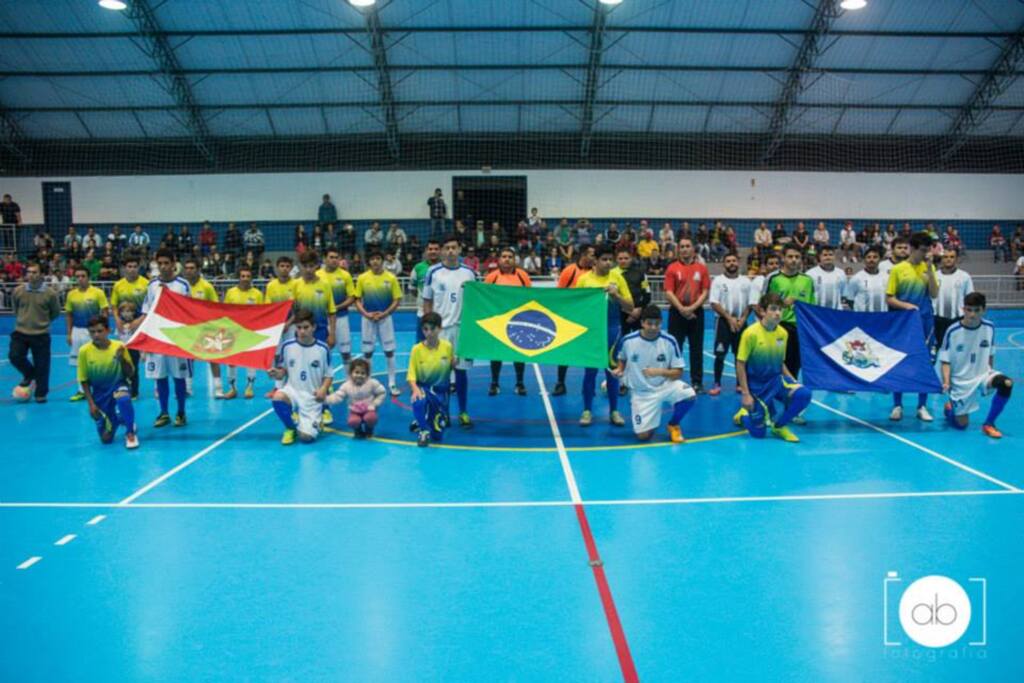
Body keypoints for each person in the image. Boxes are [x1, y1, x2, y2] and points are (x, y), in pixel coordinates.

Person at [734, 293, 812, 443]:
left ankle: (779, 426)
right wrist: (746, 394)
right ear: (762, 311)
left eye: (780, 309)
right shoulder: (750, 333)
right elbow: (740, 363)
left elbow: (780, 362)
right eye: (773, 309)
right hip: (756, 387)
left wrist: (793, 381)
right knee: (759, 433)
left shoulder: (783, 333)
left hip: (776, 381)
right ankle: (744, 414)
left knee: (803, 394)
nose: (778, 313)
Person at [613, 305, 696, 443]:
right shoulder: (628, 340)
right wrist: (620, 369)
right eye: (649, 323)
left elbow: (679, 372)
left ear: (661, 323)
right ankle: (652, 415)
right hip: (641, 393)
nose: (653, 327)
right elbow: (622, 358)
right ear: (642, 323)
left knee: (690, 395)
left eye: (656, 324)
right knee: (643, 436)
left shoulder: (670, 341)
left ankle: (673, 424)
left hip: (665, 386)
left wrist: (659, 372)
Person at [130, 248, 191, 427]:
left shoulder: (183, 285)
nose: (163, 267)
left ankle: (181, 412)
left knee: (179, 378)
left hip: (177, 339)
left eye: (166, 263)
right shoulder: (151, 285)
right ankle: (163, 412)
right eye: (160, 264)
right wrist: (137, 324)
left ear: (173, 264)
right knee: (160, 377)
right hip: (157, 339)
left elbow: (189, 312)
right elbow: (147, 312)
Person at [422, 235, 477, 426]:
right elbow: (427, 301)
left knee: (461, 372)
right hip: (441, 331)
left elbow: (476, 302)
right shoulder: (433, 272)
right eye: (447, 248)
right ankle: (442, 413)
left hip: (462, 331)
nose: (451, 251)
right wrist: (429, 328)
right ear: (443, 251)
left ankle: (463, 411)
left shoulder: (470, 273)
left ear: (460, 250)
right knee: (441, 374)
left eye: (454, 247)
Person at [939, 292, 1011, 438]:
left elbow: (990, 353)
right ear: (963, 309)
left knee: (1006, 383)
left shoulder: (989, 327)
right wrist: (947, 382)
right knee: (961, 425)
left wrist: (991, 374)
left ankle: (989, 424)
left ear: (983, 310)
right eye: (969, 310)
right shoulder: (952, 331)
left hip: (983, 374)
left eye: (977, 310)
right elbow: (945, 360)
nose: (972, 314)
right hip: (961, 381)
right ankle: (950, 408)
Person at [575, 244, 633, 427]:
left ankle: (614, 411)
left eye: (610, 260)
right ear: (595, 260)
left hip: (613, 331)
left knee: (613, 373)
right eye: (604, 259)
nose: (608, 263)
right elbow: (576, 307)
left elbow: (630, 307)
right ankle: (587, 411)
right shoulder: (584, 280)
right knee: (590, 372)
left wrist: (616, 296)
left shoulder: (618, 278)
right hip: (592, 332)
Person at [886, 231, 939, 422]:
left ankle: (922, 406)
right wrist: (907, 306)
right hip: (902, 323)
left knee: (925, 362)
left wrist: (931, 269)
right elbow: (889, 298)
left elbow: (933, 294)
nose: (926, 254)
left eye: (928, 250)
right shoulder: (898, 269)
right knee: (898, 361)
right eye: (923, 250)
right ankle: (897, 405)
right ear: (913, 248)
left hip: (925, 322)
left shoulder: (928, 268)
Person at [269, 310, 332, 445]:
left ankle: (319, 415)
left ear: (313, 327)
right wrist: (277, 374)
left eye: (305, 327)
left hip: (311, 395)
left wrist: (323, 389)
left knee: (306, 438)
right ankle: (290, 428)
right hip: (292, 390)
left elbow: (328, 375)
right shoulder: (287, 346)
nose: (302, 331)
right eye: (298, 328)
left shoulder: (322, 349)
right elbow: (283, 371)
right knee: (277, 397)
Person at [77, 316, 139, 449]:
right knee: (106, 439)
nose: (96, 335)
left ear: (108, 330)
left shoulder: (119, 346)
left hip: (119, 386)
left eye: (99, 331)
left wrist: (122, 359)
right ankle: (119, 419)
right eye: (92, 332)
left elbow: (130, 374)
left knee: (123, 399)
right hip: (100, 394)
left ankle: (130, 432)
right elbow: (84, 380)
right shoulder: (84, 351)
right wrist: (91, 404)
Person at [9, 262, 61, 402]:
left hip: (41, 334)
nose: (31, 275)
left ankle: (41, 393)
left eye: (35, 272)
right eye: (29, 272)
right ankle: (30, 374)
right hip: (20, 331)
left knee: (43, 364)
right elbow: (16, 308)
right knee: (15, 356)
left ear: (42, 275)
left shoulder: (50, 294)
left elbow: (55, 312)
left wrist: (42, 322)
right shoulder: (18, 291)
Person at [483, 246, 532, 396]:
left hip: (518, 321)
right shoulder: (492, 277)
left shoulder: (522, 276)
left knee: (518, 353)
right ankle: (494, 383)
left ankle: (520, 383)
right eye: (504, 256)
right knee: (496, 353)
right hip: (498, 321)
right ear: (499, 260)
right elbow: (484, 297)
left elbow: (530, 296)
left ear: (514, 259)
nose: (507, 259)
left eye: (510, 256)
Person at [664, 238, 710, 392]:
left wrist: (692, 308)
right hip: (676, 313)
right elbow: (669, 292)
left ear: (693, 249)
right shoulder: (672, 268)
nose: (684, 249)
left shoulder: (701, 268)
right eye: (681, 246)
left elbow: (705, 292)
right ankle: (671, 381)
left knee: (697, 348)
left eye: (687, 246)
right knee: (674, 348)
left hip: (696, 313)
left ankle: (697, 382)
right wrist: (682, 309)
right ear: (678, 249)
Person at [354, 249, 402, 395]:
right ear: (369, 262)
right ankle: (367, 383)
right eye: (372, 259)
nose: (375, 261)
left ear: (382, 260)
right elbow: (357, 300)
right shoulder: (362, 278)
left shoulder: (391, 278)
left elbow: (397, 299)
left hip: (385, 319)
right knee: (367, 353)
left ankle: (392, 383)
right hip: (367, 320)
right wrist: (367, 314)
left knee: (389, 351)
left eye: (378, 258)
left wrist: (385, 313)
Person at [551, 244, 596, 396]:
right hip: (569, 318)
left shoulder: (595, 272)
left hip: (589, 318)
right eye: (591, 255)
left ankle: (589, 386)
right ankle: (560, 383)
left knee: (589, 353)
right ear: (583, 255)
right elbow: (559, 295)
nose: (593, 258)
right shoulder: (569, 271)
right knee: (565, 351)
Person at [765, 245, 815, 382]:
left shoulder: (808, 280)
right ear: (783, 258)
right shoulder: (774, 279)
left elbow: (812, 307)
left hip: (801, 328)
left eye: (797, 257)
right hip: (780, 326)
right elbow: (766, 304)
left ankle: (791, 388)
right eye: (790, 257)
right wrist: (782, 304)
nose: (794, 260)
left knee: (796, 362)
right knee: (778, 361)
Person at [408, 312, 455, 447]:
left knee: (438, 435)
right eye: (425, 329)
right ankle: (423, 430)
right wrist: (415, 389)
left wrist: (453, 363)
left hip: (441, 393)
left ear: (440, 329)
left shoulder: (447, 347)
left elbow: (450, 368)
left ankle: (425, 420)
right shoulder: (416, 349)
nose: (429, 333)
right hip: (424, 388)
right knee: (418, 399)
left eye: (432, 329)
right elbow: (411, 375)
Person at [181, 257, 225, 398]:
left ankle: (218, 389)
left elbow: (216, 306)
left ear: (198, 270)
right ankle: (187, 388)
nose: (189, 271)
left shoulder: (206, 286)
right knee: (188, 359)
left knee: (213, 359)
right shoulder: (181, 286)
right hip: (188, 329)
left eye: (192, 268)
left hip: (207, 328)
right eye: (186, 268)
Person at [708, 252, 752, 396]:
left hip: (741, 322)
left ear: (738, 262)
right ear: (724, 264)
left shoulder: (746, 281)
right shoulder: (718, 281)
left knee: (740, 355)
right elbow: (714, 302)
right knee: (720, 354)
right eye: (728, 261)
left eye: (734, 260)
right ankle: (717, 383)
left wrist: (743, 319)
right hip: (723, 322)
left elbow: (751, 303)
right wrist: (729, 318)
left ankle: (740, 384)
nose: (731, 263)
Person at [65, 265, 110, 402]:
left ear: (88, 277)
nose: (80, 279)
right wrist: (69, 333)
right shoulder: (71, 294)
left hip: (93, 332)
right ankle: (81, 390)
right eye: (77, 276)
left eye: (83, 276)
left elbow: (104, 312)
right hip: (77, 331)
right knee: (80, 362)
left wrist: (104, 331)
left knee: (96, 360)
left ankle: (100, 389)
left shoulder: (98, 293)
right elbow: (69, 315)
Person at [222, 265, 265, 399]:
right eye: (243, 276)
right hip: (233, 332)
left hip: (250, 332)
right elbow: (225, 311)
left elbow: (262, 313)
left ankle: (249, 387)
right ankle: (232, 388)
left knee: (250, 360)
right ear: (238, 278)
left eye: (248, 276)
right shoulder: (230, 292)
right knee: (231, 361)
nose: (245, 279)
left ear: (251, 278)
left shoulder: (257, 294)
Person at [110, 255, 149, 398]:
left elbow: (150, 306)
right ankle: (122, 387)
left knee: (134, 360)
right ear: (124, 268)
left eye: (134, 266)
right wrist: (117, 320)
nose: (132, 269)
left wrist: (138, 321)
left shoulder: (146, 283)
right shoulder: (118, 285)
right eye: (129, 266)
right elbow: (114, 305)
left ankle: (135, 390)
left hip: (140, 327)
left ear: (139, 268)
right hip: (122, 330)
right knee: (120, 359)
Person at [323, 358, 386, 439]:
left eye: (363, 373)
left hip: (369, 410)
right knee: (353, 421)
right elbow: (337, 396)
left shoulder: (372, 383)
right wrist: (324, 400)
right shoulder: (346, 386)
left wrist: (375, 404)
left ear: (367, 374)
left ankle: (369, 429)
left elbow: (382, 392)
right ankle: (358, 430)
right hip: (354, 411)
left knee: (371, 418)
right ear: (350, 373)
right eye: (356, 372)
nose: (359, 375)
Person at [316, 246, 355, 375]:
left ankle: (349, 382)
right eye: (331, 257)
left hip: (341, 318)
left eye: (336, 257)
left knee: (345, 352)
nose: (334, 260)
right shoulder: (317, 275)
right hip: (322, 319)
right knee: (323, 352)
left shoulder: (345, 275)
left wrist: (335, 308)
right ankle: (325, 382)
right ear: (325, 259)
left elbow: (352, 297)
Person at [292, 250, 336, 347]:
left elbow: (332, 312)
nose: (308, 269)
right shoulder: (295, 284)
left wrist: (332, 334)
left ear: (317, 266)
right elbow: (293, 311)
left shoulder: (325, 285)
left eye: (311, 266)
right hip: (301, 332)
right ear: (300, 266)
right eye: (305, 266)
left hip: (321, 332)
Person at [933, 249, 974, 349]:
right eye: (945, 257)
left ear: (956, 259)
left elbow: (970, 298)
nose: (948, 259)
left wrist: (969, 317)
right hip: (938, 319)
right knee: (940, 348)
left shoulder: (964, 276)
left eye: (952, 257)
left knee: (958, 348)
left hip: (958, 319)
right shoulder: (934, 275)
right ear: (941, 259)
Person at [613, 247, 651, 338]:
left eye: (626, 258)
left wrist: (638, 310)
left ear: (631, 259)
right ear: (616, 260)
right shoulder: (611, 274)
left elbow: (647, 294)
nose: (623, 261)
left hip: (639, 314)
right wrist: (629, 311)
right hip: (619, 315)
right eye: (620, 258)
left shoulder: (640, 273)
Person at [846, 246, 889, 312]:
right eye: (869, 257)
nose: (871, 260)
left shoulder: (886, 277)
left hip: (882, 317)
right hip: (863, 318)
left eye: (875, 257)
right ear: (864, 260)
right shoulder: (856, 278)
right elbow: (850, 299)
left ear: (880, 260)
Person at [805, 246, 846, 310]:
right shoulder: (810, 274)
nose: (828, 257)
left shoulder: (841, 273)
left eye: (830, 255)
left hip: (836, 312)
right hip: (817, 312)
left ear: (834, 257)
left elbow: (842, 292)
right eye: (825, 255)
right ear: (820, 257)